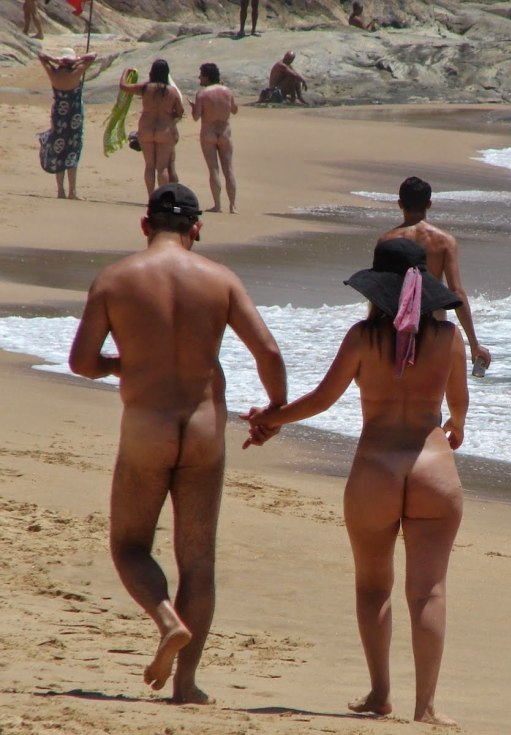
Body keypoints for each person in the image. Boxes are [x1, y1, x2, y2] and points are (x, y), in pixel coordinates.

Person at [67, 183, 287, 704]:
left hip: (146, 427)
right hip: (204, 428)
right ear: (197, 229)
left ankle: (166, 620)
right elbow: (270, 352)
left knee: (129, 547)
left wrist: (121, 364)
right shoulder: (220, 279)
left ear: (145, 225)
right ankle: (186, 686)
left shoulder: (115, 279)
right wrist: (273, 412)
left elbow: (81, 362)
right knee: (198, 561)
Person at [243, 238, 468, 726]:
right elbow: (459, 405)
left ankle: (379, 693)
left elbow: (323, 400)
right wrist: (456, 426)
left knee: (374, 587)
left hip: (376, 469)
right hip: (433, 468)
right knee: (428, 591)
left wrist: (272, 420)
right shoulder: (449, 339)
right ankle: (426, 707)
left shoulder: (363, 337)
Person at [377, 177, 492, 372]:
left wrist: (372, 334)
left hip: (394, 326)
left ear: (400, 204)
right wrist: (474, 344)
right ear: (429, 204)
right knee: (430, 394)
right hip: (434, 324)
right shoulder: (445, 242)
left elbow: (379, 292)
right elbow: (456, 292)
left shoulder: (386, 241)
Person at [38, 48, 97, 199]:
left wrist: (55, 59)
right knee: (72, 150)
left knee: (59, 149)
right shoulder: (75, 73)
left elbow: (41, 55)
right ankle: (72, 191)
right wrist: (77, 59)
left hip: (59, 114)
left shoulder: (54, 73)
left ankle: (60, 191)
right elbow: (93, 56)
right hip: (74, 115)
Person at [119, 59, 184, 198]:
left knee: (149, 166)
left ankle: (151, 197)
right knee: (162, 168)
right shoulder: (171, 91)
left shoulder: (145, 87)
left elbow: (124, 86)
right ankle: (164, 198)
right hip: (164, 129)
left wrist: (125, 71)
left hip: (146, 128)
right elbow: (180, 112)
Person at [190, 63, 238, 214]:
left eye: (201, 75)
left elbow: (196, 117)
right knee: (228, 169)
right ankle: (233, 206)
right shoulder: (227, 91)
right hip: (224, 132)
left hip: (208, 133)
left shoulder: (202, 94)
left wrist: (193, 107)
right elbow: (235, 110)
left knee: (214, 169)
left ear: (207, 76)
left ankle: (218, 205)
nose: (199, 77)